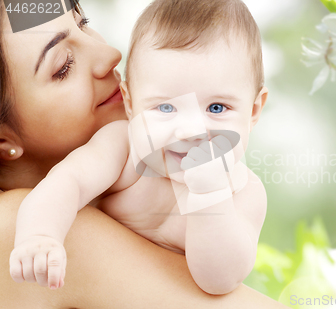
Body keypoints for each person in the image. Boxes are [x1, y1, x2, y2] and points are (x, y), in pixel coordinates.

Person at [0, 1, 286, 308]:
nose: (111, 55)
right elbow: (68, 182)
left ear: (254, 110)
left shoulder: (242, 189)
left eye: (84, 24)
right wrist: (40, 235)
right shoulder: (118, 152)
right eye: (63, 66)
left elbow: (220, 280)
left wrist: (210, 195)